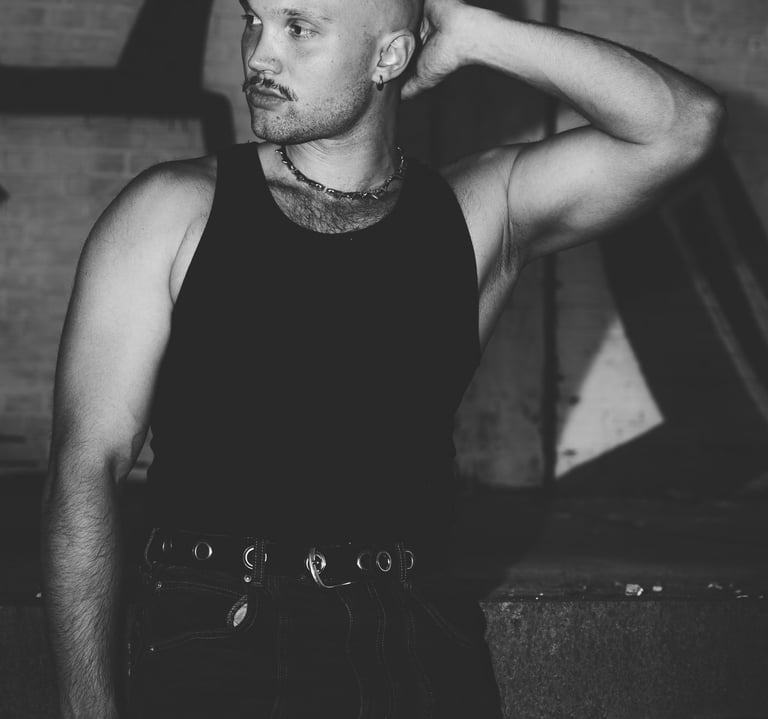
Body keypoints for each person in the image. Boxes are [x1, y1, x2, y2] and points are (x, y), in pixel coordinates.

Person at [40, 0, 724, 716]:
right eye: (252, 20)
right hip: (217, 637)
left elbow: (683, 126)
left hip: (416, 643)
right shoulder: (170, 210)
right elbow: (86, 467)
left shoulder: (473, 216)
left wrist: (477, 34)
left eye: (299, 27)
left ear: (389, 57)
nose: (259, 54)